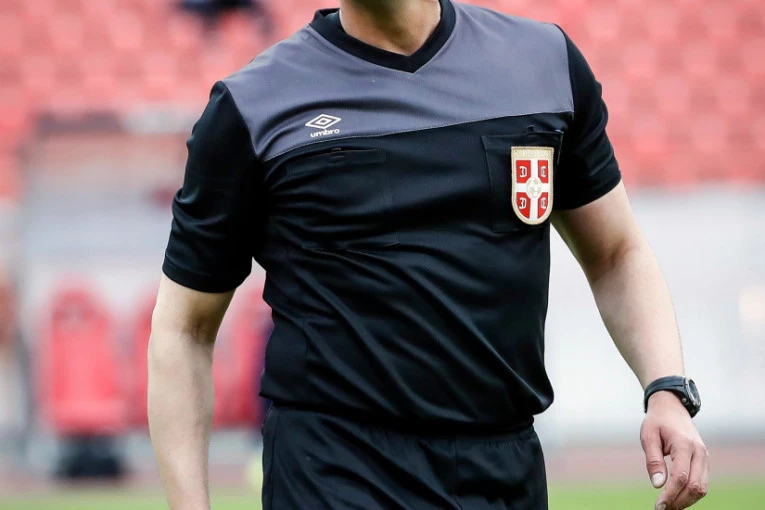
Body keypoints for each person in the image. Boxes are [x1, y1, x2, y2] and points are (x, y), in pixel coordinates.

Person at [148, 1, 709, 509]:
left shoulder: (544, 65)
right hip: (336, 472)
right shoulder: (253, 105)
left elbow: (616, 253)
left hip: (505, 470)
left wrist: (666, 389)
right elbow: (183, 329)